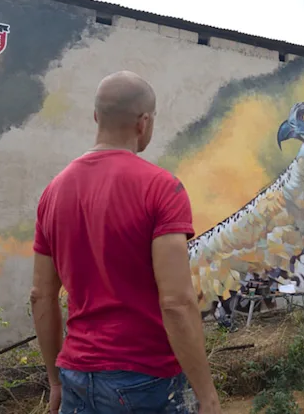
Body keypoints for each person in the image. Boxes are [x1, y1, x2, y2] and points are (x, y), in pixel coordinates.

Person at [30, 71, 222, 414]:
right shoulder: (162, 189)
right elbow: (177, 302)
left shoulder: (52, 193)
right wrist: (207, 396)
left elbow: (40, 295)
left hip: (76, 374)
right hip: (144, 380)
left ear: (95, 117)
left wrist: (55, 381)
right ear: (144, 122)